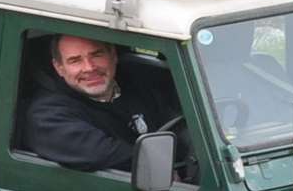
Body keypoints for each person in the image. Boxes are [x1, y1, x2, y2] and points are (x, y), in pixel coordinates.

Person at [23, 35, 181, 172]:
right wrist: (163, 167)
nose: (89, 67)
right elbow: (107, 153)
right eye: (75, 60)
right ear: (59, 68)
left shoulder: (138, 84)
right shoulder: (48, 116)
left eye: (97, 55)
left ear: (113, 55)